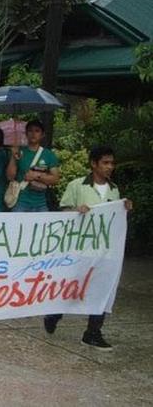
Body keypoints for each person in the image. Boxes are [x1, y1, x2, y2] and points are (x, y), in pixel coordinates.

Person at [44, 145, 133, 351]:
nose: (110, 167)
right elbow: (64, 211)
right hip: (82, 249)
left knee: (103, 289)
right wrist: (76, 210)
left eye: (112, 163)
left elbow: (113, 219)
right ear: (94, 164)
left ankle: (93, 332)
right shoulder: (77, 186)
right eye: (105, 163)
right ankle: (55, 313)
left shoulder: (114, 189)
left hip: (106, 250)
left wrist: (125, 208)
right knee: (73, 287)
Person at [6, 120, 60, 212]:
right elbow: (10, 177)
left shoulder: (48, 155)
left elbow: (55, 179)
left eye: (37, 131)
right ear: (26, 134)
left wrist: (37, 176)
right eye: (30, 131)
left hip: (41, 204)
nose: (33, 134)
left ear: (42, 135)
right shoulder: (19, 152)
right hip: (20, 203)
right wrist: (13, 157)